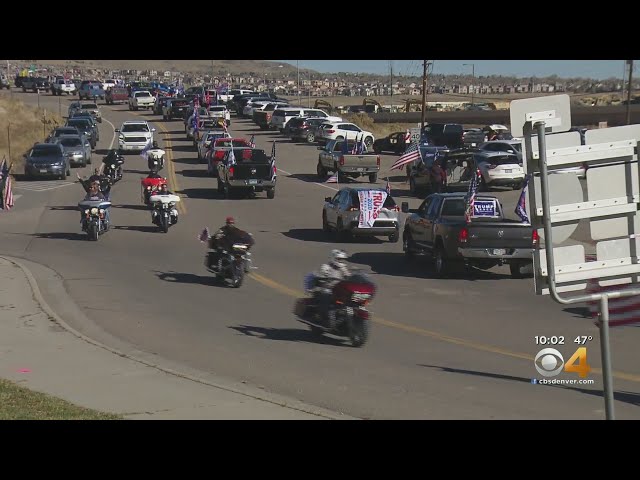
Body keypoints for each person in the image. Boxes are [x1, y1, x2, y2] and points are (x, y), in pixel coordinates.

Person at [313, 249, 351, 328]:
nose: (341, 261)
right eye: (339, 259)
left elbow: (349, 276)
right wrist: (324, 278)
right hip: (328, 288)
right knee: (326, 295)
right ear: (333, 258)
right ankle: (324, 316)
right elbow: (322, 275)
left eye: (342, 259)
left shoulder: (343, 268)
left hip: (339, 289)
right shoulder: (326, 267)